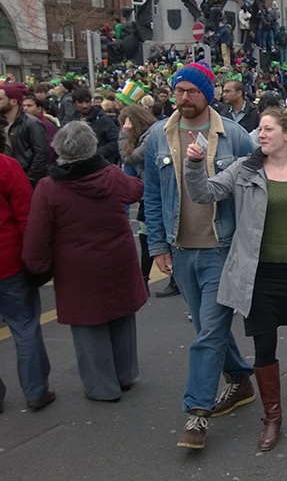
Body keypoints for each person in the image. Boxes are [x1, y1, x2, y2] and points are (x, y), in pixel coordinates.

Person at [183, 108, 287, 449]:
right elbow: (203, 193)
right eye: (260, 129)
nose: (261, 134)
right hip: (258, 276)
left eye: (268, 129)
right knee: (264, 347)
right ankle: (273, 418)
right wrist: (194, 164)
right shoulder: (244, 170)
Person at [144, 62, 257, 450]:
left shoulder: (236, 137)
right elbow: (153, 197)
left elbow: (253, 189)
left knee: (209, 329)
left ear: (207, 94)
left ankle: (197, 414)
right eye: (178, 91)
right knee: (206, 330)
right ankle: (241, 380)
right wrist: (157, 245)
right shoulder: (159, 135)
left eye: (192, 91)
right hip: (180, 248)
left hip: (220, 249)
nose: (183, 98)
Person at [23, 122, 147, 402]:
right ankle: (125, 374)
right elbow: (136, 189)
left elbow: (37, 235)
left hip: (77, 266)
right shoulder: (112, 175)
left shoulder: (49, 188)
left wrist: (36, 266)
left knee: (89, 326)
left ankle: (102, 387)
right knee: (122, 316)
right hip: (118, 257)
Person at [0, 152, 54, 411]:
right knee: (24, 327)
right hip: (8, 258)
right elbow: (26, 217)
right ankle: (36, 391)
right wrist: (35, 257)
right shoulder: (6, 166)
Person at [118, 104, 158, 295]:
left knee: (149, 233)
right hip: (148, 189)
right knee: (146, 233)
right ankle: (144, 279)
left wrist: (124, 135)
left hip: (153, 190)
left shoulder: (150, 137)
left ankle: (145, 279)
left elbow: (129, 159)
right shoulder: (149, 135)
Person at [0, 84, 50, 186]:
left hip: (26, 181)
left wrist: (27, 180)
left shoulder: (32, 123)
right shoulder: (2, 123)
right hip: (6, 180)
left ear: (13, 101)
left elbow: (40, 155)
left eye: (0, 99)